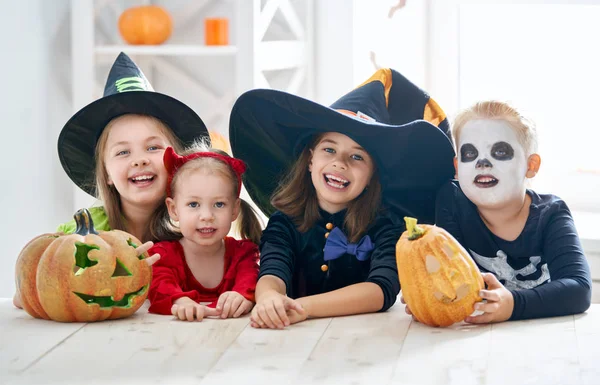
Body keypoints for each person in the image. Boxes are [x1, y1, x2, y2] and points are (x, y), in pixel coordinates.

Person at [229, 68, 455, 328]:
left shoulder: (387, 226)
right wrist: (269, 297)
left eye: (357, 156)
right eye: (329, 149)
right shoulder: (285, 222)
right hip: (291, 339)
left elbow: (380, 291)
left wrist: (302, 307)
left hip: (366, 338)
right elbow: (273, 270)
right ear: (311, 159)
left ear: (372, 175)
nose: (340, 163)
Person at [13, 52, 210, 309]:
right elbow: (27, 297)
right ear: (106, 173)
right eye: (123, 152)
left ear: (175, 161)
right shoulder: (83, 233)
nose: (139, 160)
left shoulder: (197, 225)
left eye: (152, 148)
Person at [430, 100, 591, 323]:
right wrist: (429, 297)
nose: (482, 162)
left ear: (531, 165)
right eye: (470, 154)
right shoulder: (451, 202)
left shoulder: (551, 214)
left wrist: (513, 305)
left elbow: (579, 290)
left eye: (500, 151)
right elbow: (452, 279)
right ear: (457, 168)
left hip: (543, 335)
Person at [147, 143, 263, 322]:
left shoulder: (243, 254)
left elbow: (250, 278)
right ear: (174, 209)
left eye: (219, 204)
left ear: (234, 210)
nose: (207, 216)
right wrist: (181, 301)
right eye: (193, 204)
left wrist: (242, 296)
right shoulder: (163, 255)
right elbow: (160, 284)